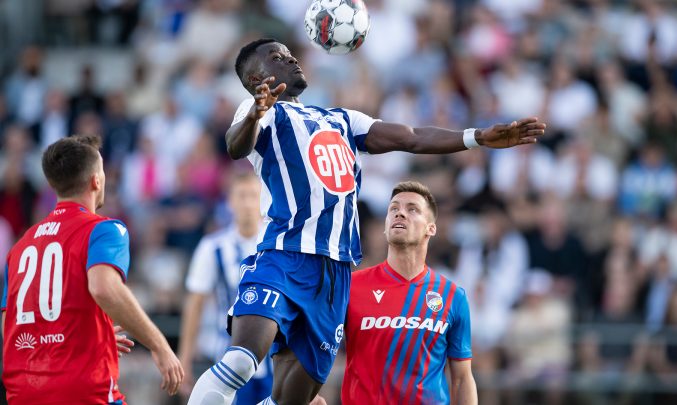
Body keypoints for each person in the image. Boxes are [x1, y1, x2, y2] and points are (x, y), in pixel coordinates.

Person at [188, 38, 544, 405]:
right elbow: (235, 146)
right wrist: (254, 113)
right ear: (255, 78)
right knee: (241, 363)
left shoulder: (342, 120)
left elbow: (412, 138)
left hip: (334, 277)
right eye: (278, 57)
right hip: (284, 256)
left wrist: (477, 137)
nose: (292, 60)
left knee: (287, 400)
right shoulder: (263, 113)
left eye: (292, 54)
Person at [1, 134, 183, 404]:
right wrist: (159, 345)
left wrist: (91, 334)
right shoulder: (104, 229)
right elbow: (103, 287)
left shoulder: (20, 246)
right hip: (82, 388)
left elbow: (10, 323)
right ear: (96, 180)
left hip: (24, 390)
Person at [342, 181, 477, 404]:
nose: (400, 213)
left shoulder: (452, 296)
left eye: (412, 209)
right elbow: (315, 342)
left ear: (430, 228)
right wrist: (308, 393)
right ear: (385, 226)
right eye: (393, 209)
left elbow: (462, 378)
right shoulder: (351, 287)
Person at [178, 173, 274, 404]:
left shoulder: (277, 243)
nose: (248, 203)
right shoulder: (213, 247)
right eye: (241, 196)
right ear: (230, 201)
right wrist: (185, 358)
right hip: (228, 351)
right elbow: (195, 303)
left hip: (275, 355)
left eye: (253, 196)